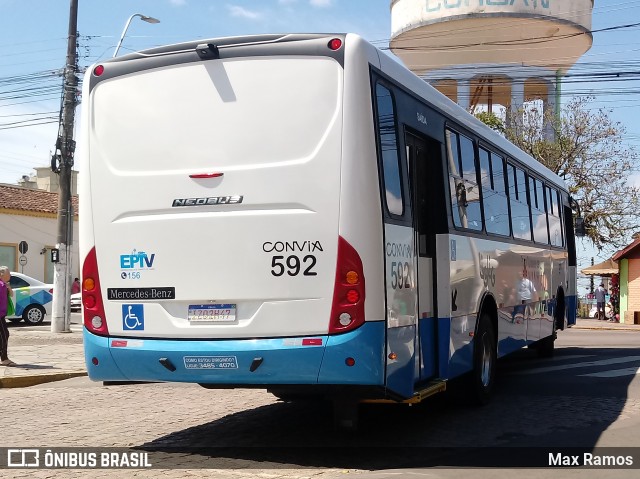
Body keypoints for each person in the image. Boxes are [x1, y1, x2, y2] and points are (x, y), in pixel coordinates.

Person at [0, 266, 16, 367]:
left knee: (4, 334)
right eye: (8, 273)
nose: (10, 275)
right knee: (5, 334)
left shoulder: (4, 285)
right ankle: (4, 358)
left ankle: (4, 357)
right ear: (2, 274)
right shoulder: (1, 285)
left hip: (2, 314)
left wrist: (9, 287)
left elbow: (11, 295)